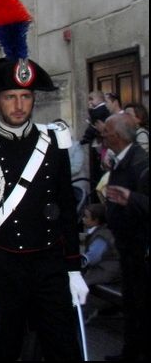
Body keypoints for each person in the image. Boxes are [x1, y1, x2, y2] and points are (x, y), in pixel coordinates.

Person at [0, 0, 86, 360]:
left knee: (63, 348)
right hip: (3, 267)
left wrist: (73, 267)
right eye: (11, 97)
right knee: (2, 351)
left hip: (49, 264)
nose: (19, 105)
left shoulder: (54, 141)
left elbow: (64, 207)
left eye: (25, 97)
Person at [101, 113, 149, 361]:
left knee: (139, 302)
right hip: (127, 245)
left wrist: (130, 198)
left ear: (118, 136)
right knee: (132, 301)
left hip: (140, 248)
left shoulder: (140, 163)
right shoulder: (122, 160)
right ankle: (131, 350)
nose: (103, 134)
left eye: (107, 131)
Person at [80, 203, 120, 287]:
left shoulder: (102, 236)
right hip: (102, 267)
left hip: (105, 270)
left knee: (77, 284)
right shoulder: (97, 232)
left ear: (96, 220)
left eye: (86, 217)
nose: (83, 219)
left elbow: (92, 257)